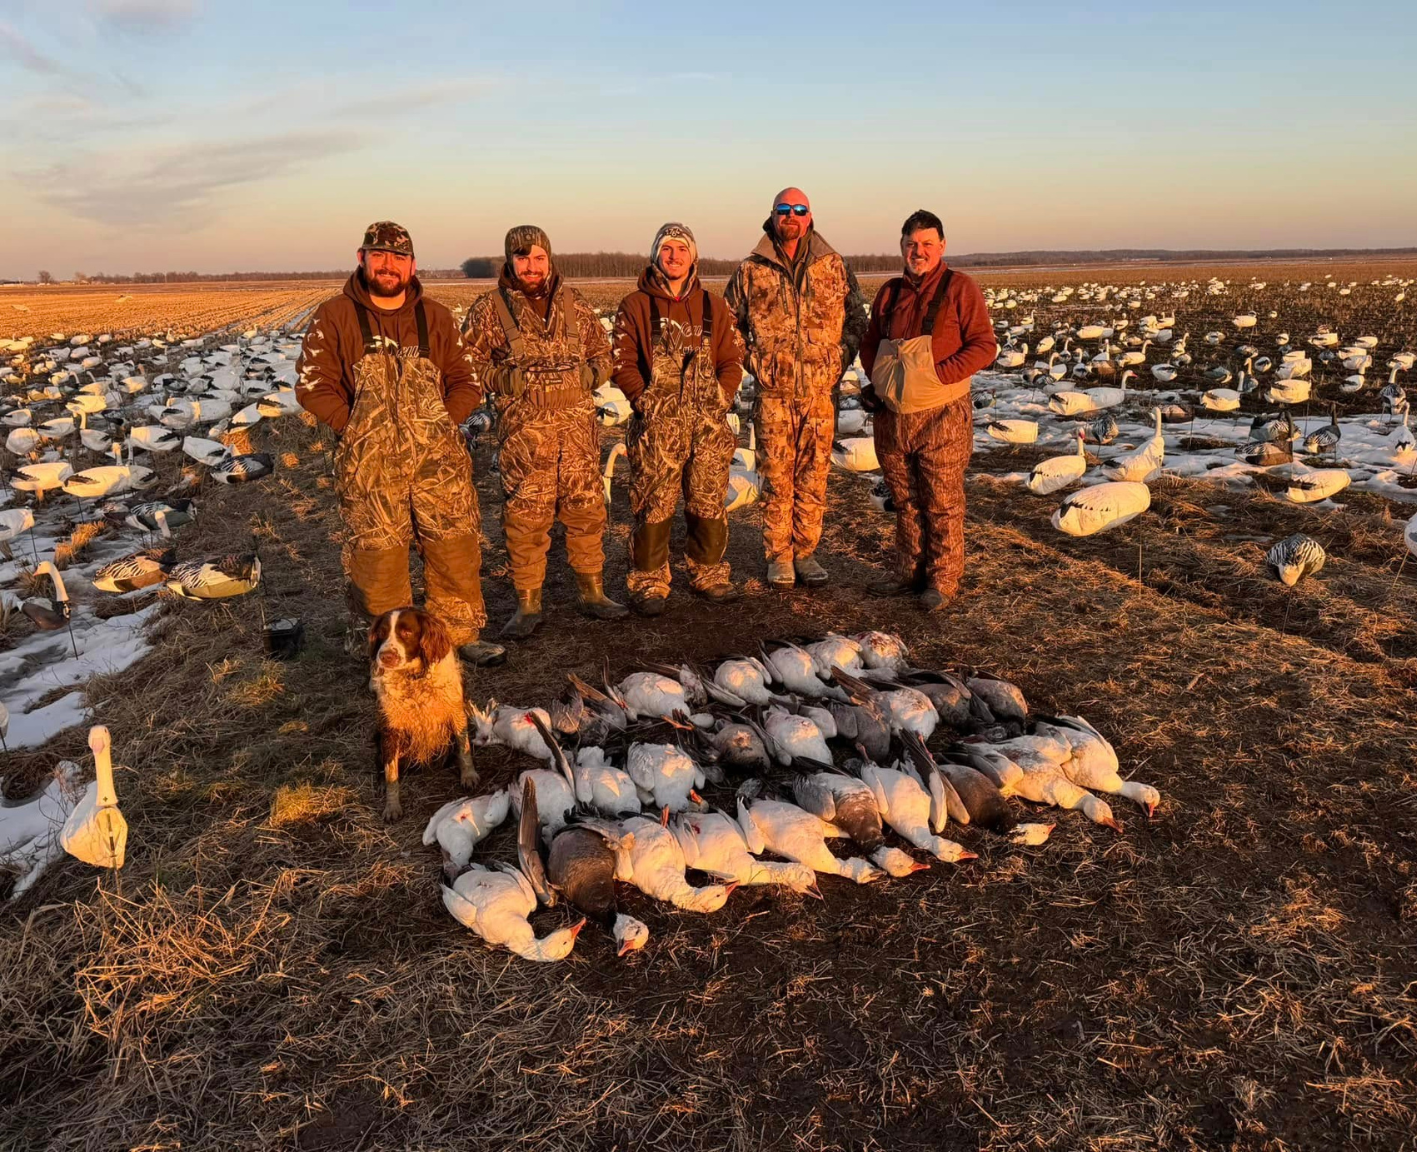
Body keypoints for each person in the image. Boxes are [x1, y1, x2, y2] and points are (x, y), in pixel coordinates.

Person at [296, 221, 505, 665]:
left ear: (412, 264)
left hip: (438, 462)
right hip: (370, 465)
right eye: (379, 255)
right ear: (362, 258)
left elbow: (466, 381)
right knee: (379, 559)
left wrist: (443, 423)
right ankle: (386, 650)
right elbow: (313, 385)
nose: (388, 265)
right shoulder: (334, 316)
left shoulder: (437, 316)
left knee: (454, 548)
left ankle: (459, 638)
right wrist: (353, 427)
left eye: (398, 257)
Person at [461, 225, 626, 641]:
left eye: (538, 258)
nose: (531, 266)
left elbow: (605, 353)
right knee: (525, 518)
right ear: (510, 261)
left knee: (587, 512)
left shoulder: (576, 305)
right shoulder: (489, 310)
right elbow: (465, 365)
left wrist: (594, 372)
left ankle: (592, 592)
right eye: (522, 258)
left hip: (578, 435)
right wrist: (503, 379)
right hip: (525, 437)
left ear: (549, 260)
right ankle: (528, 603)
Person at [725, 187, 866, 589]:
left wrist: (839, 360)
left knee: (814, 476)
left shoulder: (833, 266)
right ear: (772, 215)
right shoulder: (752, 269)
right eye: (784, 209)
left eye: (799, 209)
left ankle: (805, 551)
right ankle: (778, 556)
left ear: (810, 216)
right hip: (773, 396)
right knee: (776, 476)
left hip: (821, 395)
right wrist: (755, 361)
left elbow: (857, 318)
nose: (791, 215)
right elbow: (726, 324)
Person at [858, 209, 997, 610]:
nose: (918, 252)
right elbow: (870, 342)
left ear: (942, 246)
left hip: (942, 414)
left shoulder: (960, 288)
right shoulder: (889, 292)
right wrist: (879, 376)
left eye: (926, 244)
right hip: (893, 415)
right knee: (904, 499)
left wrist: (940, 375)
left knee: (942, 500)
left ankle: (943, 579)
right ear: (902, 247)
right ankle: (908, 571)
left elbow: (984, 345)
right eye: (911, 244)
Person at [610, 223, 745, 615]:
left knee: (707, 499)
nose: (674, 256)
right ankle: (649, 582)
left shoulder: (713, 306)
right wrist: (645, 400)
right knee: (654, 504)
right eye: (666, 248)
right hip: (658, 427)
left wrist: (722, 395)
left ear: (693, 257)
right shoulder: (635, 305)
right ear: (656, 255)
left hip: (707, 423)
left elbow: (732, 359)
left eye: (681, 249)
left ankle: (709, 573)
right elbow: (622, 362)